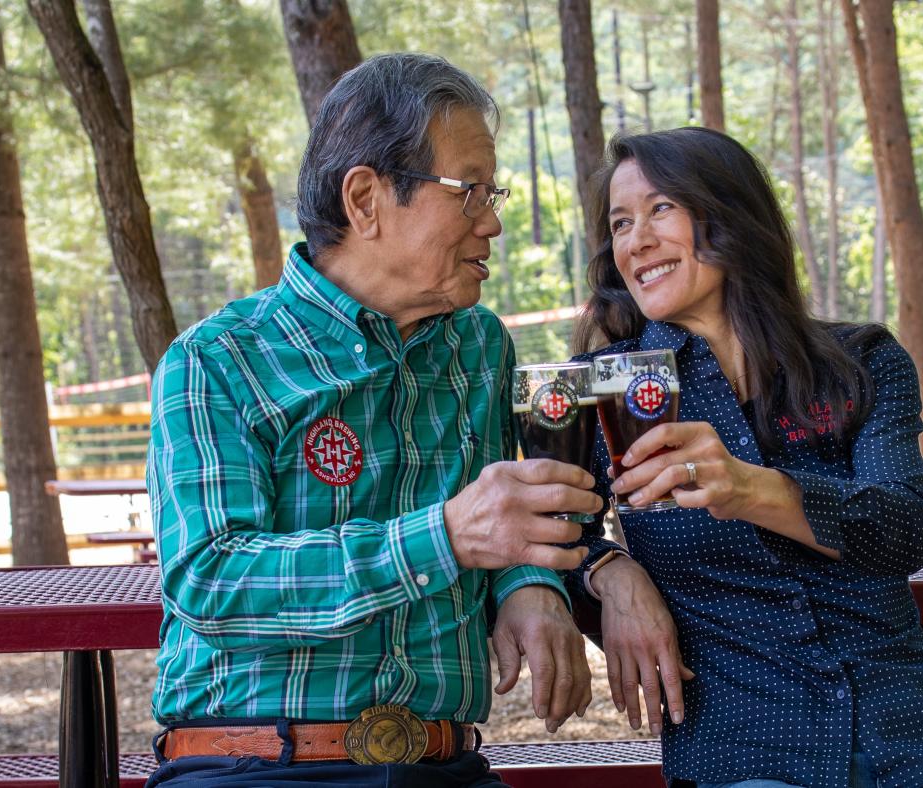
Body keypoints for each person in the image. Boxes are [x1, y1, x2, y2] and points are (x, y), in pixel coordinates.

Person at [144, 53, 602, 788]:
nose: (493, 222)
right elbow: (211, 582)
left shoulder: (479, 348)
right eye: (472, 191)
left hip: (444, 767)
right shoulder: (218, 361)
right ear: (366, 199)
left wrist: (531, 587)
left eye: (495, 192)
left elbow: (502, 517)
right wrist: (444, 537)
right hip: (251, 767)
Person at [568, 127, 923, 788]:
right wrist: (611, 571)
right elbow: (548, 533)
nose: (634, 241)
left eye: (661, 208)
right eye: (619, 223)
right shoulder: (601, 387)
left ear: (729, 214)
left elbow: (907, 531)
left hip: (919, 740)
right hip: (749, 749)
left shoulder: (861, 362)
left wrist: (754, 489)